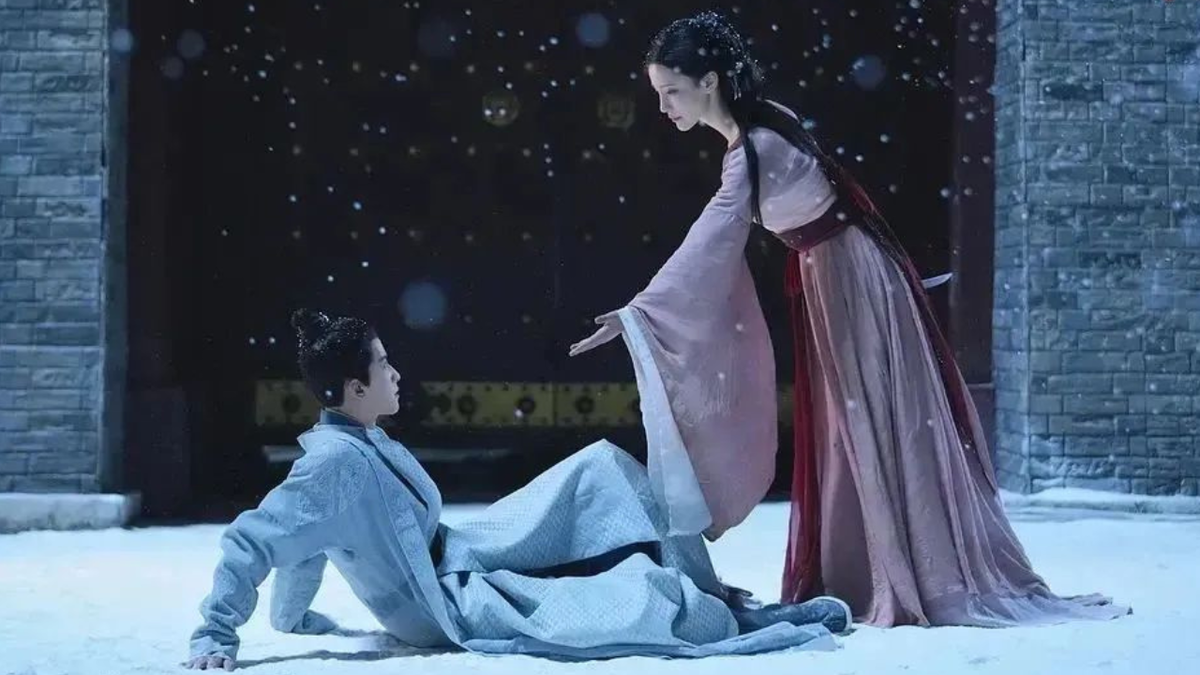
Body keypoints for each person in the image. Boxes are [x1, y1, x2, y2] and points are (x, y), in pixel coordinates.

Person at [570, 11, 1128, 628]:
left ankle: (903, 571)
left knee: (871, 420)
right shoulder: (763, 128)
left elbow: (709, 239)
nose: (663, 107)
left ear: (709, 81)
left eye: (671, 91)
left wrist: (640, 314)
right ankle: (873, 566)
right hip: (841, 270)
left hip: (849, 275)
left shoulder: (754, 148)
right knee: (856, 423)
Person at [184, 309, 851, 670]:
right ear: (355, 387)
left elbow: (306, 541)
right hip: (444, 598)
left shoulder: (357, 441)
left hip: (462, 550)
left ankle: (712, 592)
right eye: (384, 365)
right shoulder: (334, 464)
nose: (396, 373)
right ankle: (714, 613)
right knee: (634, 599)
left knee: (601, 468)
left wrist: (292, 616)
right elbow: (260, 539)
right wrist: (216, 632)